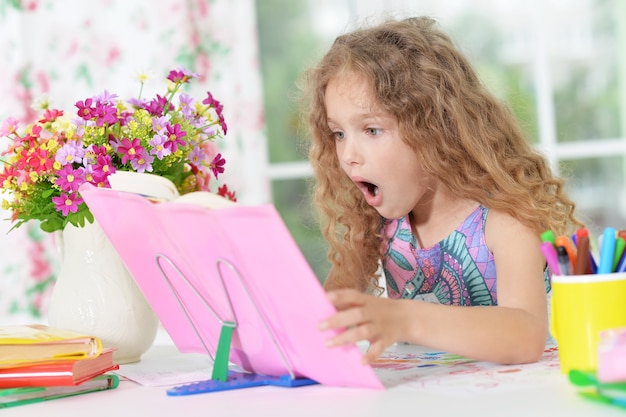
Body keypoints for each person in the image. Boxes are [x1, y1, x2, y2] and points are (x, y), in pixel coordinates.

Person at [302, 16, 582, 365]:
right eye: (339, 133)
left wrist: (405, 318)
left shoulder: (505, 220)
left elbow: (525, 335)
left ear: (435, 130)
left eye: (372, 130)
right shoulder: (374, 226)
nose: (348, 156)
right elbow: (328, 315)